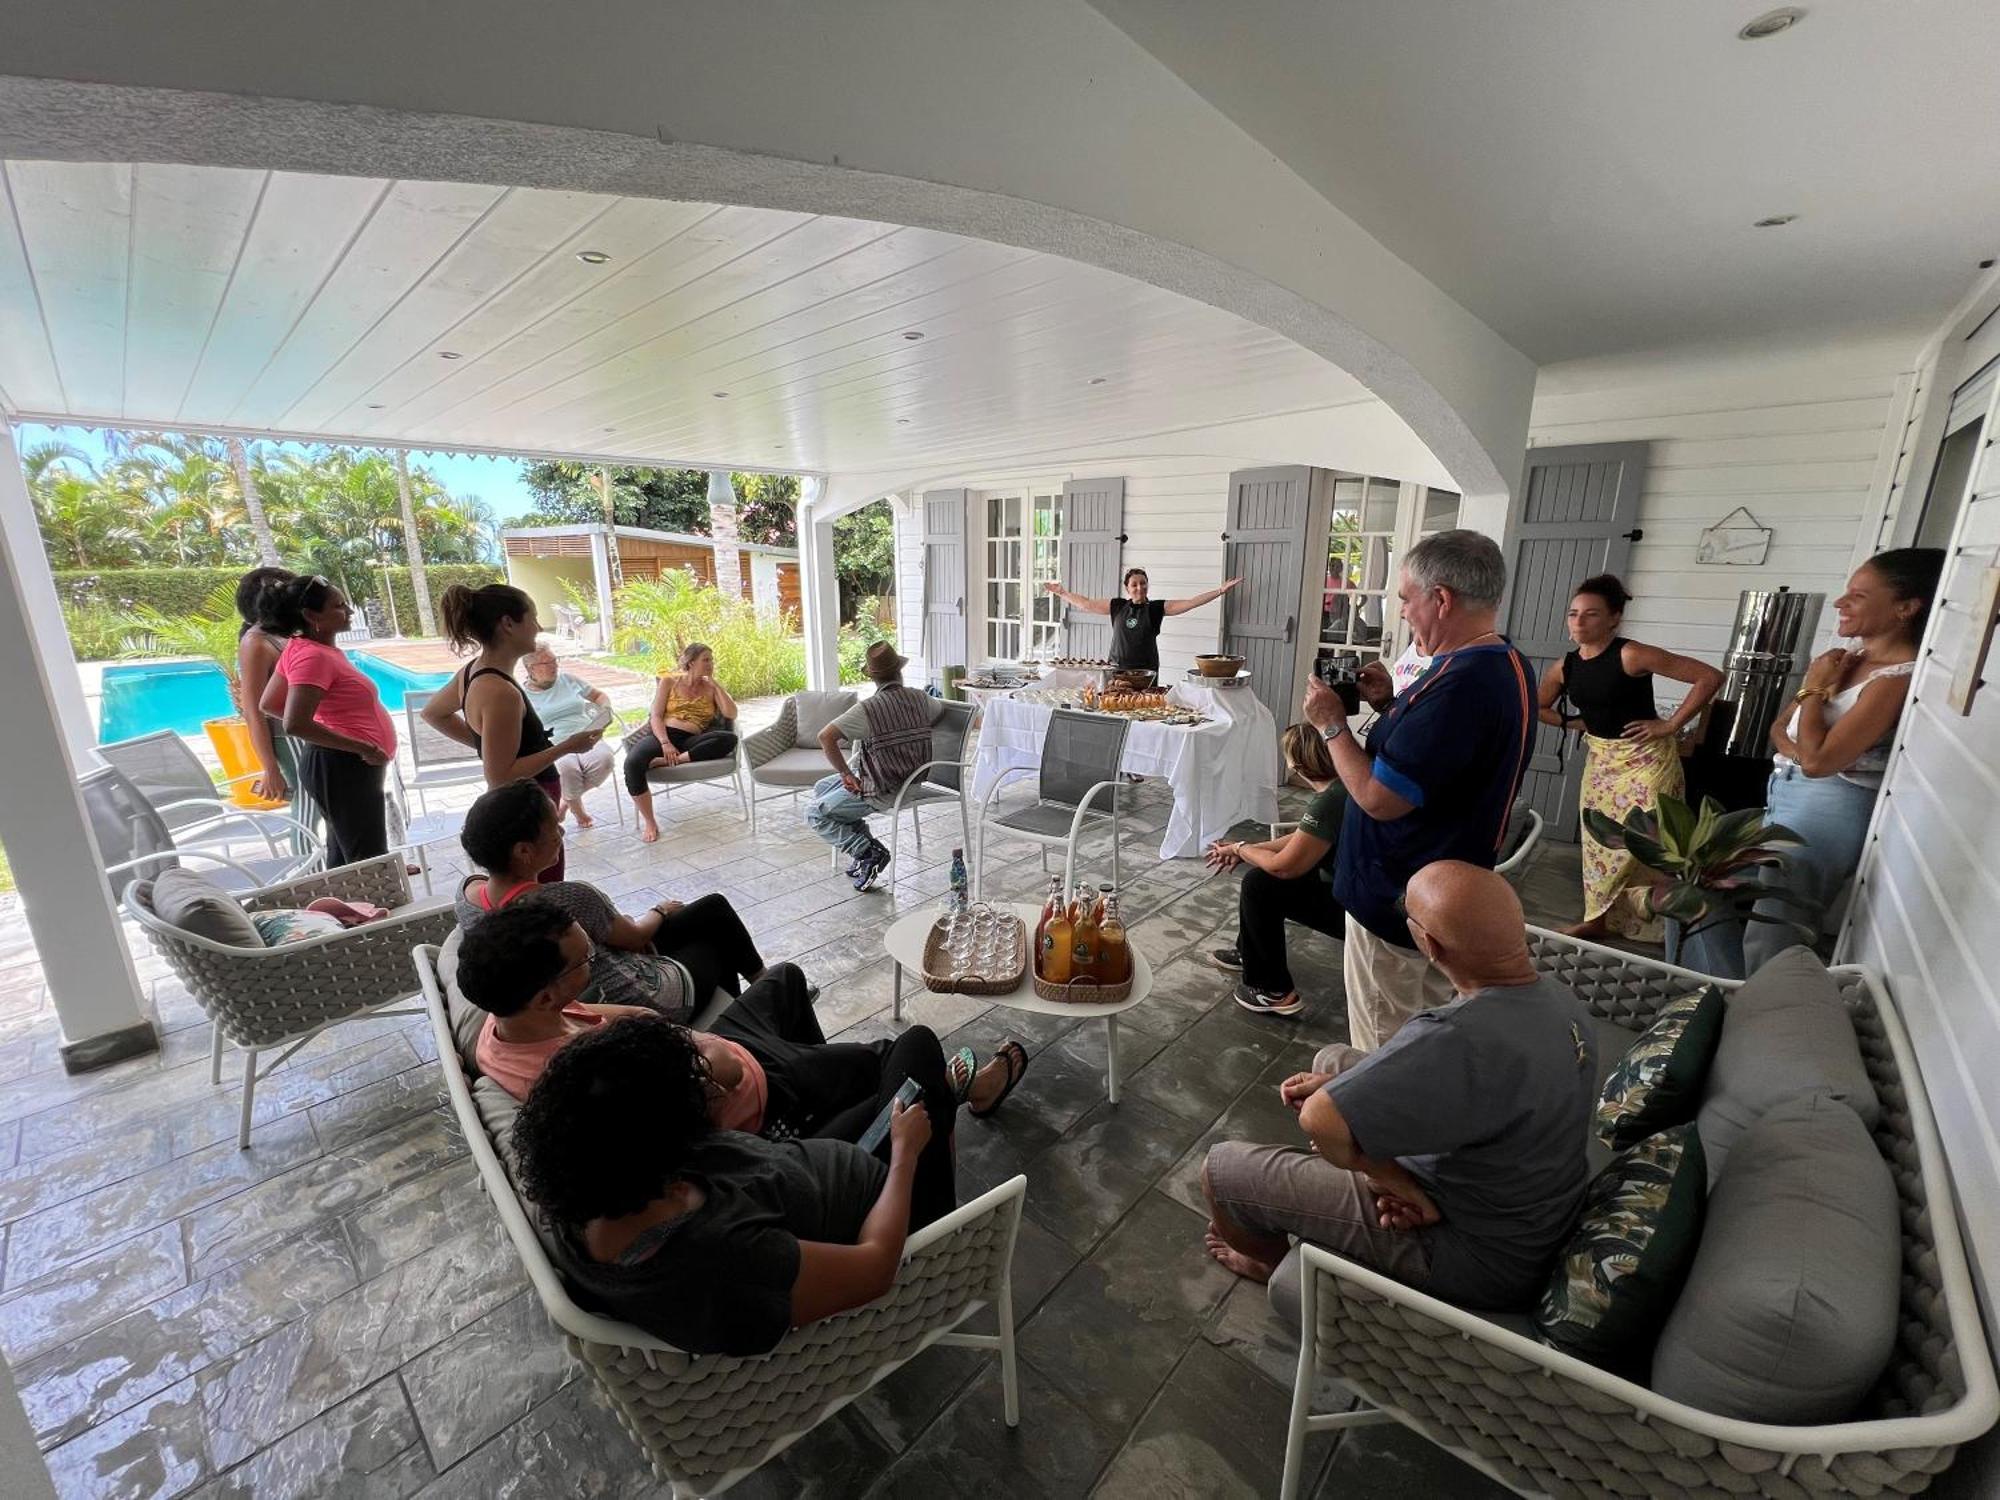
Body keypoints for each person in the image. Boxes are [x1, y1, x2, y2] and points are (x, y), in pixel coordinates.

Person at [1201, 862, 1597, 1316]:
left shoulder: (1454, 1033)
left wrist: (1394, 1180)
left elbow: (1319, 1119)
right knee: (1334, 1060)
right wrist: (1348, 1088)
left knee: (1221, 1171)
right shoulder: (1558, 997)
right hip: (1523, 1207)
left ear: (1428, 944)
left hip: (1472, 1253)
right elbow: (1490, 1087)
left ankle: (1269, 1265)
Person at [512, 1012, 959, 1356]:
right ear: (658, 1143)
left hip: (810, 1166)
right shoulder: (719, 1263)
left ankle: (953, 1093)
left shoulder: (587, 1187)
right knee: (917, 1048)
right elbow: (875, 1268)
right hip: (887, 1202)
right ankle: (951, 1135)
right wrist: (904, 1153)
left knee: (878, 1074)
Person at [456, 901, 1028, 1123]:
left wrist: (658, 1028)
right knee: (902, 1053)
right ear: (544, 995)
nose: (593, 964)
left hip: (722, 1051)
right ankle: (962, 1091)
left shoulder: (512, 1018)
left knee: (783, 980)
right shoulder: (579, 1075)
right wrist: (700, 1050)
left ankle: (825, 1079)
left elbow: (628, 1017)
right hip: (754, 1095)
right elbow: (709, 1089)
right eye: (585, 960)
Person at [1304, 529, 1535, 1050]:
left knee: (1388, 1051)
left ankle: (1382, 1132)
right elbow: (1438, 762)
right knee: (1428, 1036)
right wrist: (1391, 704)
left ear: (1442, 599)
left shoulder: (1459, 688)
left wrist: (1332, 725)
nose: (1404, 613)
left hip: (1403, 900)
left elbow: (1379, 799)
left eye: (1407, 599)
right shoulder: (1500, 662)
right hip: (1437, 895)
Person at [1683, 547, 1945, 978]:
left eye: (1858, 595)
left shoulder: (1895, 679)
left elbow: (1821, 761)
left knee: (1775, 931)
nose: (1841, 603)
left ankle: (1749, 1009)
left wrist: (1814, 693)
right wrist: (1808, 734)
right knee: (1692, 881)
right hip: (1785, 793)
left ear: (1906, 607)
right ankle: (1711, 989)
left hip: (1830, 809)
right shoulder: (1848, 660)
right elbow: (1779, 729)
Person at [453, 778, 770, 1019]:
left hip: (587, 980)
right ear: (524, 851)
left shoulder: (468, 893)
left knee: (711, 909)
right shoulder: (565, 899)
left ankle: (759, 992)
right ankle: (752, 1013)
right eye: (554, 827)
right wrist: (659, 910)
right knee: (716, 939)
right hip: (635, 998)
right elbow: (633, 938)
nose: (561, 834)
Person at [1537, 575, 1722, 943]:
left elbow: (1709, 676)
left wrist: (1670, 725)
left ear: (1614, 618)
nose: (1579, 622)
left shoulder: (1631, 653)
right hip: (1602, 762)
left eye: (1590, 614)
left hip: (1648, 763)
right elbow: (1537, 706)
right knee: (1599, 844)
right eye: (1573, 614)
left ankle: (1664, 926)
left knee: (1650, 840)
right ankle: (1597, 920)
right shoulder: (1566, 666)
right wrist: (1573, 722)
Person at [422, 583, 604, 880]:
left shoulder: (472, 673)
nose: (539, 626)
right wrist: (567, 746)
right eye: (532, 617)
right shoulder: (500, 692)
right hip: (527, 813)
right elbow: (501, 776)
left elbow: (434, 713)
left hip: (527, 808)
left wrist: (489, 746)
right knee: (542, 895)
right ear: (508, 624)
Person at [1203, 724, 1348, 1017]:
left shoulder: (1330, 801)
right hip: (1355, 886)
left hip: (1355, 908)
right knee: (1261, 877)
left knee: (1262, 884)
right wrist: (1245, 849)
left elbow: (1284, 868)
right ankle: (1250, 953)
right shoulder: (1343, 786)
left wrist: (1242, 849)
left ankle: (1273, 991)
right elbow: (1303, 839)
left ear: (1296, 765)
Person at [256, 576, 396, 868]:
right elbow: (295, 723)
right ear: (311, 615)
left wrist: (327, 723)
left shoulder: (302, 648)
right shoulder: (313, 657)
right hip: (345, 766)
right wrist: (362, 747)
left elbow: (270, 703)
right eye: (339, 606)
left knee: (346, 853)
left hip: (340, 765)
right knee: (367, 861)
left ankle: (345, 910)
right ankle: (377, 910)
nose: (349, 611)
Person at [805, 640, 947, 891]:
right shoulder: (921, 698)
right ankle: (867, 844)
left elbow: (825, 737)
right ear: (899, 671)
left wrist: (846, 773)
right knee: (822, 787)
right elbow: (939, 711)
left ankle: (868, 853)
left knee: (815, 813)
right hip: (912, 780)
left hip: (885, 788)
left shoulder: (867, 710)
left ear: (873, 677)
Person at [623, 642, 740, 844]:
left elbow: (731, 713)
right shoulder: (669, 682)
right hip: (664, 736)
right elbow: (656, 717)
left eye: (711, 660)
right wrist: (665, 742)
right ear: (691, 662)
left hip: (692, 740)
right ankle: (650, 821)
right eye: (706, 660)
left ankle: (672, 761)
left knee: (728, 739)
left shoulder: (711, 689)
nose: (710, 664)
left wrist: (716, 684)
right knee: (632, 763)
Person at [1042, 567, 1243, 673]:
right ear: (1127, 588)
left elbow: (1190, 603)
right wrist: (1062, 593)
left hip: (1145, 673)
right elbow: (1086, 604)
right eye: (1135, 584)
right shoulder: (1118, 606)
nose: (1140, 588)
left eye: (1143, 584)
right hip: (1117, 669)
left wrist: (1219, 591)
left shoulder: (1156, 608)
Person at [520, 640, 616, 828]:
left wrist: (606, 710)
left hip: (586, 736)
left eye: (555, 660)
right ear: (530, 668)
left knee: (605, 761)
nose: (554, 666)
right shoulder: (522, 695)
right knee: (567, 770)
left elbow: (598, 696)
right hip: (555, 745)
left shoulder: (568, 680)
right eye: (547, 663)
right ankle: (578, 811)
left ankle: (564, 804)